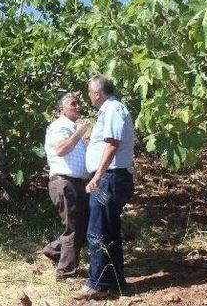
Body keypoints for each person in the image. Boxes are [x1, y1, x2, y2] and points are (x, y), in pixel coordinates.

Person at [73, 75, 135, 300]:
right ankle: (115, 283)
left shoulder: (112, 110)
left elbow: (112, 144)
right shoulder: (110, 110)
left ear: (97, 94)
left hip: (109, 178)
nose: (88, 96)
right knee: (109, 231)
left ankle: (97, 284)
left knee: (97, 231)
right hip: (110, 177)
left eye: (89, 92)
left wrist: (98, 175)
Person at [42, 92, 90, 279]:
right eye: (73, 104)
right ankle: (65, 272)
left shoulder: (72, 128)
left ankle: (52, 251)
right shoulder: (60, 126)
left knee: (81, 228)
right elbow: (61, 149)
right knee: (74, 228)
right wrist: (80, 132)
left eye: (78, 104)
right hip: (64, 182)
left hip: (77, 183)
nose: (78, 107)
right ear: (61, 109)